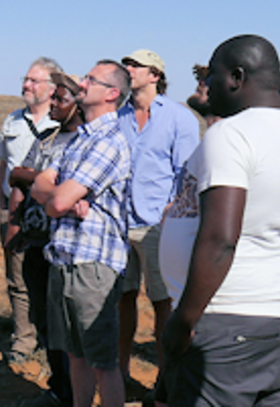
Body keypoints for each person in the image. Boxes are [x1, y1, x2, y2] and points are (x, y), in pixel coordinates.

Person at [158, 35, 280, 407]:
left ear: (237, 77)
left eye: (213, 75)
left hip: (224, 320)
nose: (206, 85)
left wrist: (184, 320)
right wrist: (277, 292)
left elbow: (220, 238)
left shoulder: (230, 135)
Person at [31, 60, 133, 407]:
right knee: (76, 356)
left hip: (93, 266)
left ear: (112, 93)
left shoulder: (109, 142)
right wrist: (62, 198)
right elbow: (40, 185)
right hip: (65, 258)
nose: (82, 83)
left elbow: (55, 201)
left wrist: (60, 199)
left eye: (91, 79)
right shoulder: (78, 140)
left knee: (102, 362)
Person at [116, 50, 200, 400]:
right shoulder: (117, 115)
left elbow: (188, 173)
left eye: (136, 65)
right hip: (119, 223)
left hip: (157, 225)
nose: (128, 69)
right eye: (127, 64)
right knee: (122, 298)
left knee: (163, 303)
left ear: (155, 75)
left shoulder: (179, 118)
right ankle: (119, 374)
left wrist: (172, 212)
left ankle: (165, 382)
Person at [8, 72, 84, 407]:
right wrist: (16, 225)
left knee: (67, 322)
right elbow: (16, 175)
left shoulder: (86, 141)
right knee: (44, 318)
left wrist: (38, 181)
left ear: (78, 104)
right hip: (36, 239)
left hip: (68, 244)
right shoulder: (47, 138)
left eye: (60, 99)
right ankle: (59, 389)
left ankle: (75, 392)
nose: (52, 103)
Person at [0, 58, 61, 364]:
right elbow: (4, 166)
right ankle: (23, 340)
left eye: (34, 81)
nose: (26, 85)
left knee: (47, 277)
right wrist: (2, 205)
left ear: (51, 88)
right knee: (16, 278)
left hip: (48, 213)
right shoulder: (13, 121)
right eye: (26, 79)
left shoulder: (62, 122)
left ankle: (51, 339)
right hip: (13, 210)